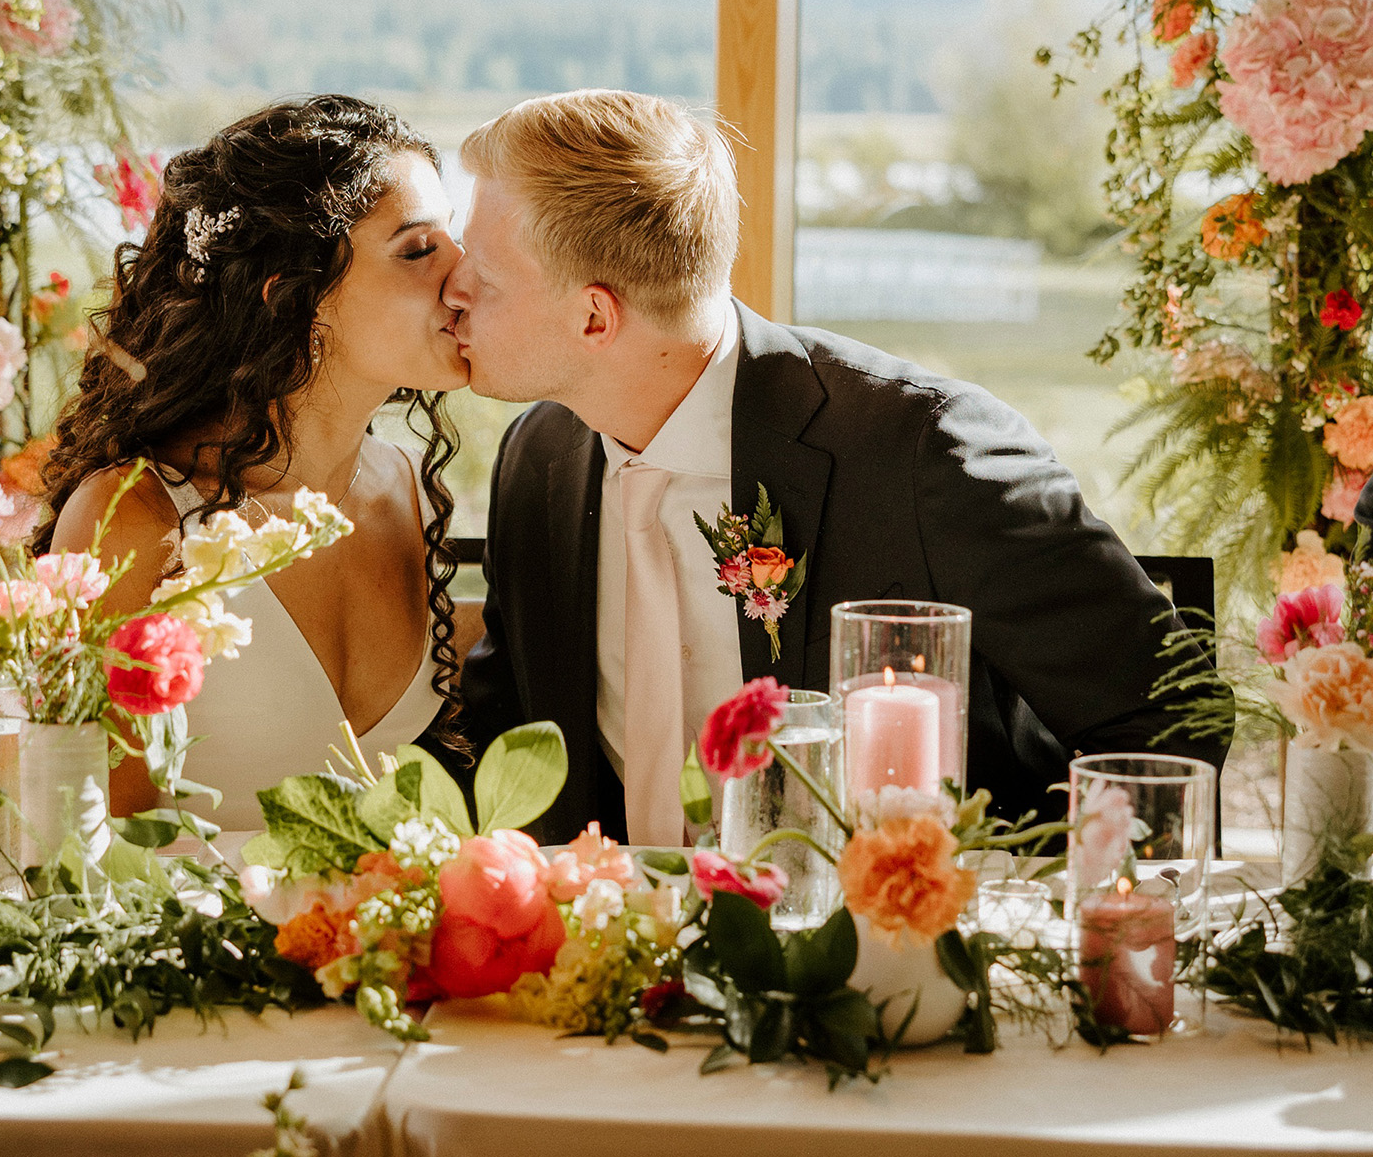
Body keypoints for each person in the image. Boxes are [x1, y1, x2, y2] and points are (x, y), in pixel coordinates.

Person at [447, 89, 1228, 845]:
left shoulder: (928, 452)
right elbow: (502, 735)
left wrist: (1011, 921)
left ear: (594, 315)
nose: (452, 293)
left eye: (481, 277)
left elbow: (1170, 722)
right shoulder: (539, 460)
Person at [45, 95, 468, 827]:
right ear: (294, 300)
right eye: (417, 250)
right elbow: (91, 850)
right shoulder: (136, 523)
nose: (466, 278)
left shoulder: (409, 492)